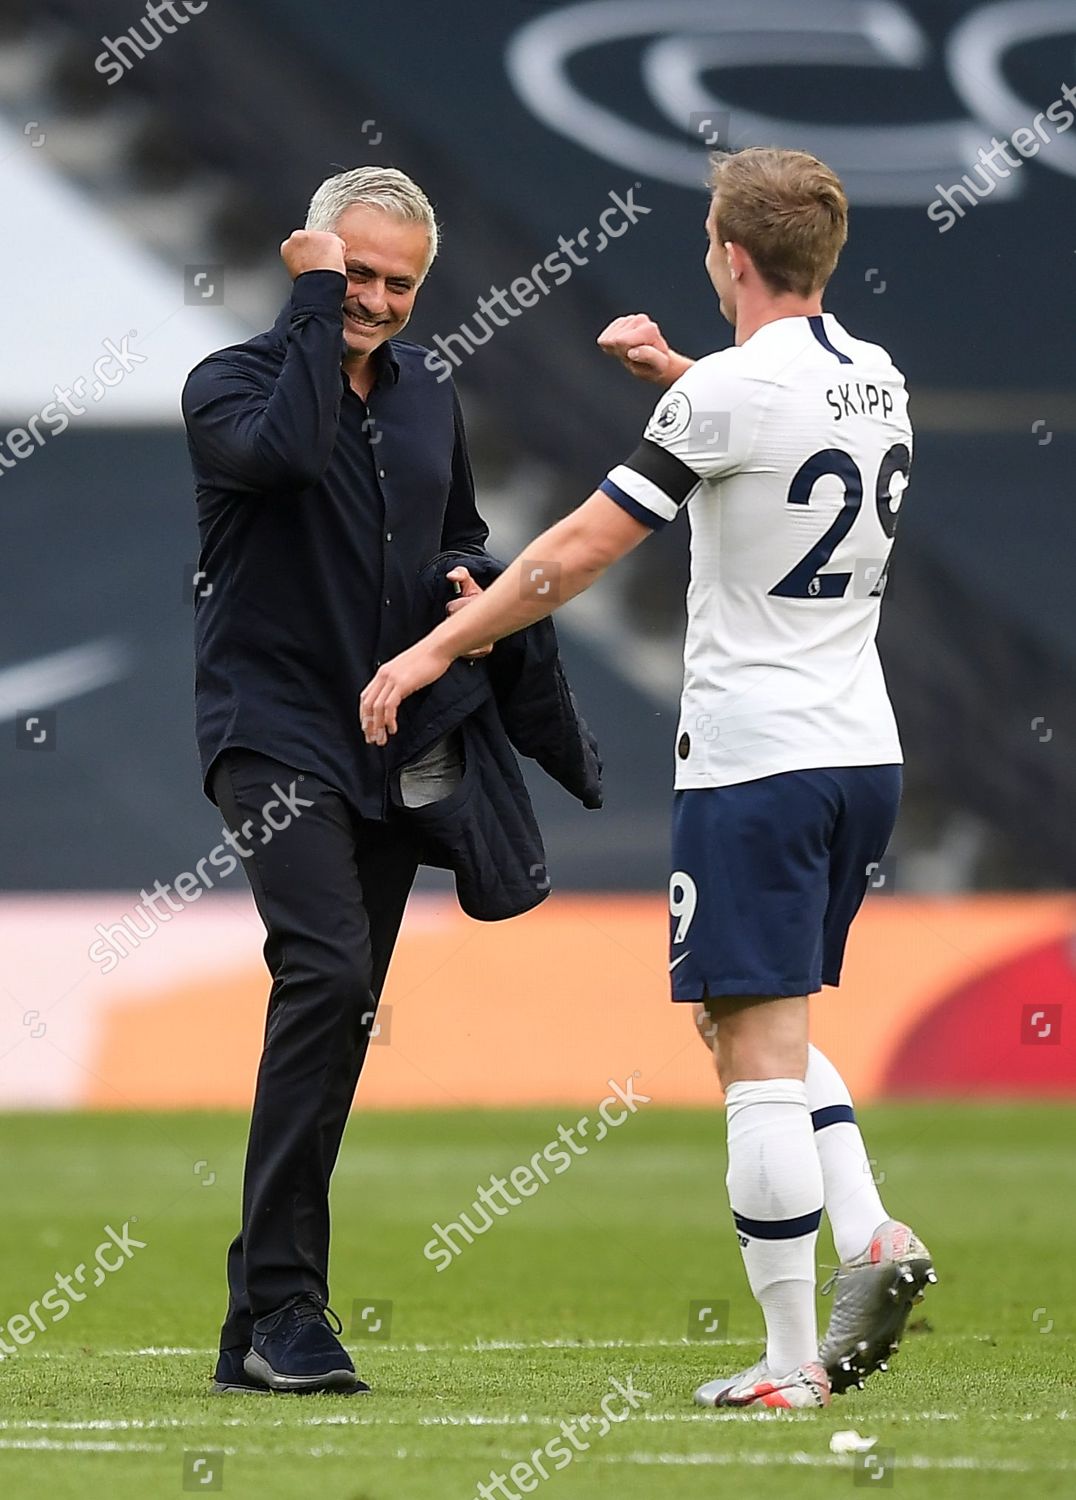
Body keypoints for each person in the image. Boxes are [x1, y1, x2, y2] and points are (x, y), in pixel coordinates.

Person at [359, 146, 936, 1410]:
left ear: (727, 255)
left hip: (754, 760)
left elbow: (571, 554)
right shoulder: (873, 376)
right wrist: (683, 380)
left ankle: (792, 1363)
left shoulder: (726, 397)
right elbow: (787, 460)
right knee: (751, 1021)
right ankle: (873, 1233)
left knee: (756, 1053)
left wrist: (436, 644)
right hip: (859, 753)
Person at [181, 166, 495, 1395]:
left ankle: (252, 1322)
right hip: (269, 732)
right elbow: (291, 454)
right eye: (351, 272)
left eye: (394, 282)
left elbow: (452, 529)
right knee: (325, 971)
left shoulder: (431, 402)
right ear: (310, 259)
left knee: (338, 1004)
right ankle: (285, 1307)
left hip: (383, 738)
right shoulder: (232, 385)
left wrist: (468, 581)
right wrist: (312, 307)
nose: (372, 298)